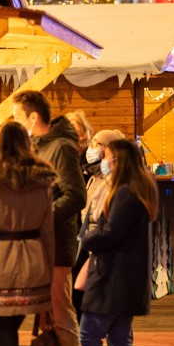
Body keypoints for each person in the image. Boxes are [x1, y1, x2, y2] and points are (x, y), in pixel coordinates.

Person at [12, 90, 86, 346]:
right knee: (49, 317)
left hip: (57, 245)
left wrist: (40, 216)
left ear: (33, 117)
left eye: (17, 117)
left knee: (61, 314)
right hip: (41, 245)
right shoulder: (37, 147)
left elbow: (76, 196)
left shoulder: (61, 147)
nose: (15, 123)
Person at [79, 139, 158, 346]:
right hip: (125, 275)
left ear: (117, 160)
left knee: (89, 334)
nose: (102, 161)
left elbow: (112, 232)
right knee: (119, 337)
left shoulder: (124, 192)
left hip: (113, 275)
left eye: (105, 156)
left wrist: (86, 239)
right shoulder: (138, 189)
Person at [0, 122, 56, 346]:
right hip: (33, 260)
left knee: (5, 329)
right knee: (12, 326)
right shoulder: (42, 180)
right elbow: (48, 230)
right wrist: (50, 267)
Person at [73, 129, 125, 321]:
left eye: (98, 145)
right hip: (87, 238)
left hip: (98, 243)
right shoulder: (92, 175)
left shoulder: (114, 182)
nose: (92, 149)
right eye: (92, 143)